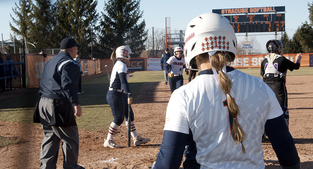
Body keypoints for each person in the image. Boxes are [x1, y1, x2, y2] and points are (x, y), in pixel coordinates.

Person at [153, 13, 300, 169]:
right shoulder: (261, 87)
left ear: (191, 46)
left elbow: (168, 162)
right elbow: (286, 151)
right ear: (230, 43)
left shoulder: (183, 96)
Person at [33, 38, 84, 169]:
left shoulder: (51, 61)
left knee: (50, 137)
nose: (77, 51)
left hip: (42, 102)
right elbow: (68, 85)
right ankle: (70, 166)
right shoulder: (69, 63)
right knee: (70, 136)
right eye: (76, 49)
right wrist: (76, 104)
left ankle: (46, 167)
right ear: (72, 49)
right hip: (57, 104)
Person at [104, 45, 150, 148]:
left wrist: (126, 94)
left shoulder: (120, 64)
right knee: (118, 119)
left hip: (120, 93)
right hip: (115, 94)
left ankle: (136, 138)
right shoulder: (121, 65)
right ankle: (108, 140)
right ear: (124, 54)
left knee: (130, 116)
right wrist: (129, 94)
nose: (129, 56)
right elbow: (123, 81)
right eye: (128, 54)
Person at [261, 40, 302, 127]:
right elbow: (296, 67)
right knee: (282, 109)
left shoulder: (264, 61)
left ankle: (264, 132)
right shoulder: (282, 59)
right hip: (278, 86)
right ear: (276, 48)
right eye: (280, 48)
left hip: (266, 87)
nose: (281, 49)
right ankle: (284, 133)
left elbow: (263, 76)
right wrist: (298, 59)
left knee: (266, 110)